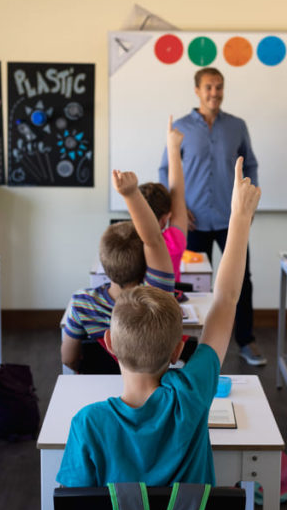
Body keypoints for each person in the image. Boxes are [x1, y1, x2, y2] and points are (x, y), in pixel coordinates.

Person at [57, 157, 261, 487]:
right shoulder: (191, 396)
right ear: (178, 349)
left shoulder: (88, 424)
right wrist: (240, 218)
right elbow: (226, 300)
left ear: (109, 344)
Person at [159, 67, 263, 366]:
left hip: (231, 219)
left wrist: (248, 202)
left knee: (242, 280)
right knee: (191, 284)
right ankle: (190, 348)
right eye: (208, 87)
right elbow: (165, 169)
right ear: (197, 90)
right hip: (193, 221)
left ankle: (246, 341)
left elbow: (251, 164)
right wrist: (178, 207)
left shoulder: (237, 126)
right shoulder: (180, 128)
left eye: (219, 87)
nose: (214, 92)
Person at [60, 168, 175, 373]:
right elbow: (154, 241)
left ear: (103, 264)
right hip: (148, 394)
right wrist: (131, 194)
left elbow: (68, 358)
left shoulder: (81, 303)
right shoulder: (157, 299)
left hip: (95, 393)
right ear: (145, 266)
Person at [139, 117, 189, 281]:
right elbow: (178, 194)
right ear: (167, 216)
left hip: (135, 306)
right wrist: (173, 148)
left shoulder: (130, 244)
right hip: (169, 306)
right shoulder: (173, 243)